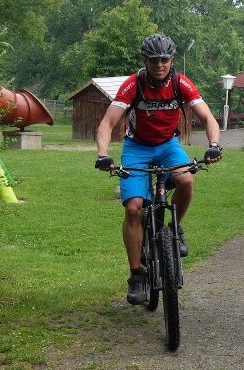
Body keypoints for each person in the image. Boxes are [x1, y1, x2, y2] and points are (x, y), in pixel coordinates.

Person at [94, 33, 222, 305]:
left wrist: (214, 145)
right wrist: (103, 154)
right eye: (154, 60)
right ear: (146, 61)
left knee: (185, 181)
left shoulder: (180, 83)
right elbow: (107, 123)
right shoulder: (133, 85)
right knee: (134, 208)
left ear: (171, 60)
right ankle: (136, 275)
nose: (160, 65)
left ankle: (176, 228)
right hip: (137, 147)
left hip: (167, 145)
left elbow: (207, 117)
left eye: (164, 59)